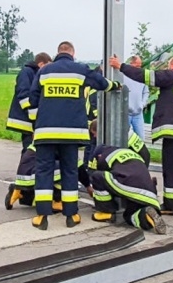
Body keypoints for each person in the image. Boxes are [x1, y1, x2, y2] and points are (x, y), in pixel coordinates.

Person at [28, 42, 120, 230]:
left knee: (44, 171)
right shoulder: (80, 70)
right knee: (70, 171)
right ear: (72, 53)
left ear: (58, 52)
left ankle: (42, 217)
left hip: (46, 132)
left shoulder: (45, 71)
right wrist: (115, 85)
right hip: (71, 133)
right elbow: (101, 83)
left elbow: (32, 98)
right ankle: (71, 215)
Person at [111, 53, 173, 217]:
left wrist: (121, 66)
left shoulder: (172, 76)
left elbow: (146, 76)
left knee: (172, 168)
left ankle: (171, 205)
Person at [88, 142, 165, 234]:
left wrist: (95, 192)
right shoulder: (128, 152)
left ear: (99, 155)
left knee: (97, 176)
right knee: (130, 215)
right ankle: (145, 214)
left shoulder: (103, 157)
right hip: (150, 193)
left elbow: (95, 174)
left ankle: (106, 213)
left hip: (129, 185)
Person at [7, 52, 51, 149]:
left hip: (33, 119)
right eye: (47, 66)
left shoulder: (35, 73)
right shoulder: (26, 72)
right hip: (26, 118)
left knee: (32, 150)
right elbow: (23, 95)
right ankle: (26, 164)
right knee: (29, 150)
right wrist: (32, 113)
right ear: (41, 64)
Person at [123, 55, 150, 140]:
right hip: (125, 113)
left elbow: (146, 92)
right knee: (123, 138)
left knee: (140, 138)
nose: (139, 68)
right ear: (131, 63)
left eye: (140, 65)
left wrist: (142, 104)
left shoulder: (142, 77)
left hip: (138, 113)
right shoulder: (123, 76)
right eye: (137, 65)